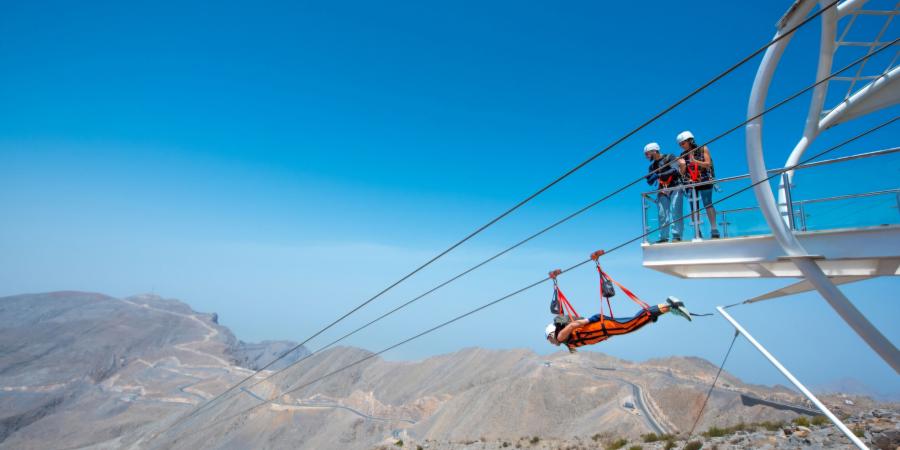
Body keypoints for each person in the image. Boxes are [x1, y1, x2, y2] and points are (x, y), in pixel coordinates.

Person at [545, 297, 692, 351]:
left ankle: (670, 306)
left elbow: (571, 326)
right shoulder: (567, 342)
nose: (552, 343)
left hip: (602, 325)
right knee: (632, 325)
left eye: (550, 339)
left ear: (553, 334)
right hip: (604, 328)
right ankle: (667, 309)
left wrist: (589, 320)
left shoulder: (560, 337)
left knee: (630, 325)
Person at [677, 131, 720, 239]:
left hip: (704, 180)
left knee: (708, 204)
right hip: (691, 183)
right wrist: (682, 166)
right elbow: (682, 173)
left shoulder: (702, 149)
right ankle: (697, 231)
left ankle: (714, 229)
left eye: (683, 143)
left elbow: (708, 164)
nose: (681, 146)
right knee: (694, 208)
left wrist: (695, 161)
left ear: (690, 141)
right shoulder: (682, 155)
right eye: (680, 144)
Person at [644, 142, 685, 243]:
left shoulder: (669, 157)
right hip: (662, 189)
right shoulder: (652, 166)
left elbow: (674, 170)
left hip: (675, 186)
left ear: (654, 151)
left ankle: (677, 235)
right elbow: (650, 182)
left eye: (648, 153)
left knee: (676, 211)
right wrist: (651, 178)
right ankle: (663, 237)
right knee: (662, 214)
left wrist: (658, 175)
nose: (647, 156)